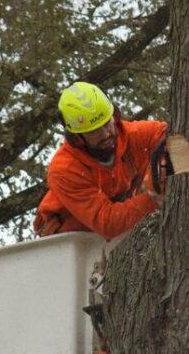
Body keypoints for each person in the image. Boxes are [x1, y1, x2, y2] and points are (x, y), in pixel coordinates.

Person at [34, 81, 168, 239]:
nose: (105, 135)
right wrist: (156, 196)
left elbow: (169, 134)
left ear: (114, 116)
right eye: (94, 131)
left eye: (106, 124)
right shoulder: (64, 170)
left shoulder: (134, 136)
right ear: (77, 137)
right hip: (67, 241)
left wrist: (162, 170)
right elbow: (108, 222)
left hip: (114, 235)